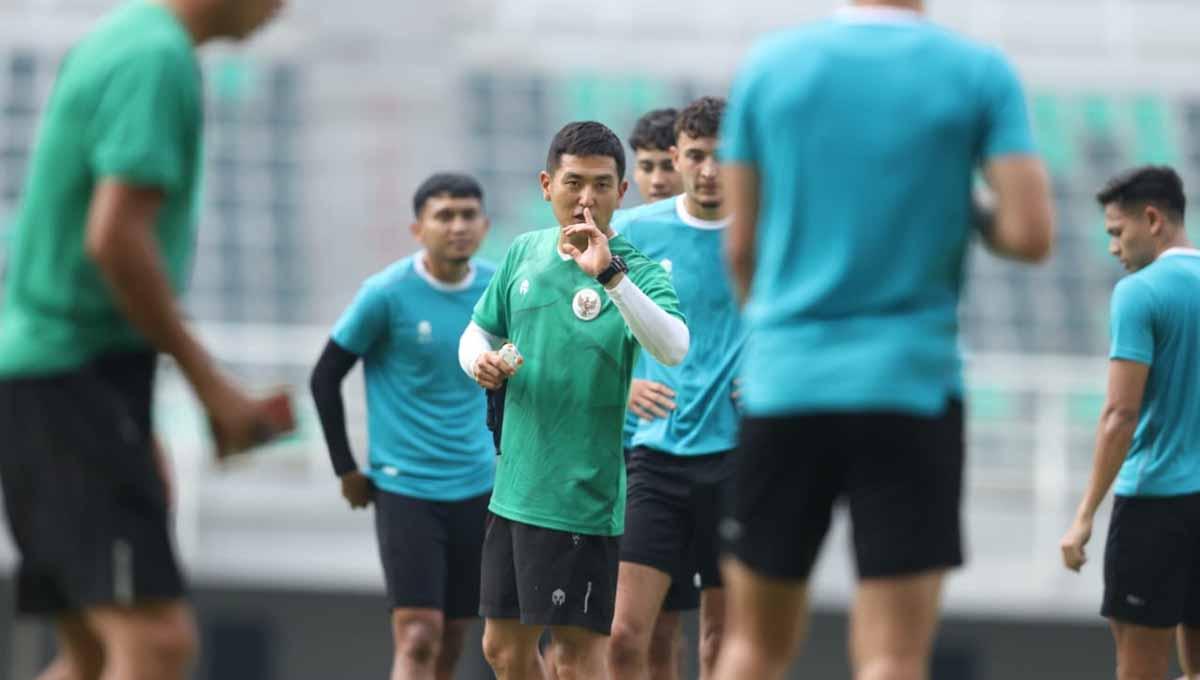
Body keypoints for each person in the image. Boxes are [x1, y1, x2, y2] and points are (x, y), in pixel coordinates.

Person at [713, 2, 1055, 679]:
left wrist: (782, 337)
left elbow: (741, 246)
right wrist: (961, 197)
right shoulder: (975, 72)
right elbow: (1027, 232)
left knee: (752, 647)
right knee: (894, 656)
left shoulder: (770, 67)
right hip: (910, 385)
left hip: (787, 383)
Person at [0, 1, 292, 679]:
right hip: (70, 376)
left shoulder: (126, 38)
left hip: (63, 378)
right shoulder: (154, 59)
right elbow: (115, 239)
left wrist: (138, 418)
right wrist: (212, 388)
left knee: (94, 653)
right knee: (154, 642)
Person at [458, 121, 687, 680]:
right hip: (515, 489)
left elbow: (673, 346)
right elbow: (478, 333)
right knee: (502, 650)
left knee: (574, 657)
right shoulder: (523, 253)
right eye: (574, 182)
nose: (586, 198)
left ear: (621, 192)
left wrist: (610, 276)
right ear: (546, 184)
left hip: (581, 496)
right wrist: (478, 363)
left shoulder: (635, 270)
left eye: (602, 185)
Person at [310, 173, 495, 680]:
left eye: (467, 215)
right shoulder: (386, 294)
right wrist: (346, 468)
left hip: (480, 486)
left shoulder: (499, 291)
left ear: (485, 224)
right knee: (418, 636)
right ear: (418, 229)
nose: (457, 226)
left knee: (454, 641)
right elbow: (324, 378)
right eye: (444, 216)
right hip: (405, 487)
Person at [608, 96, 742, 680]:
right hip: (656, 456)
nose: (709, 169)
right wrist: (619, 388)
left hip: (742, 457)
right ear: (676, 158)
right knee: (624, 635)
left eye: (723, 155)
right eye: (696, 155)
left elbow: (817, 314)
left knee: (723, 642)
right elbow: (574, 321)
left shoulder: (772, 229)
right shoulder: (636, 231)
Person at [1060, 166, 1200, 680]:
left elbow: (1120, 414)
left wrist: (1084, 513)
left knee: (1139, 671)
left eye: (1117, 233)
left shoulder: (1139, 293)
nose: (1114, 248)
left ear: (1152, 219)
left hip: (1156, 504)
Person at [621, 106, 694, 680]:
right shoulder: (621, 240)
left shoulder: (710, 238)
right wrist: (620, 388)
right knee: (598, 629)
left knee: (664, 631)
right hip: (607, 454)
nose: (657, 179)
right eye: (644, 166)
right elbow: (569, 329)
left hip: (675, 451)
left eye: (665, 165)